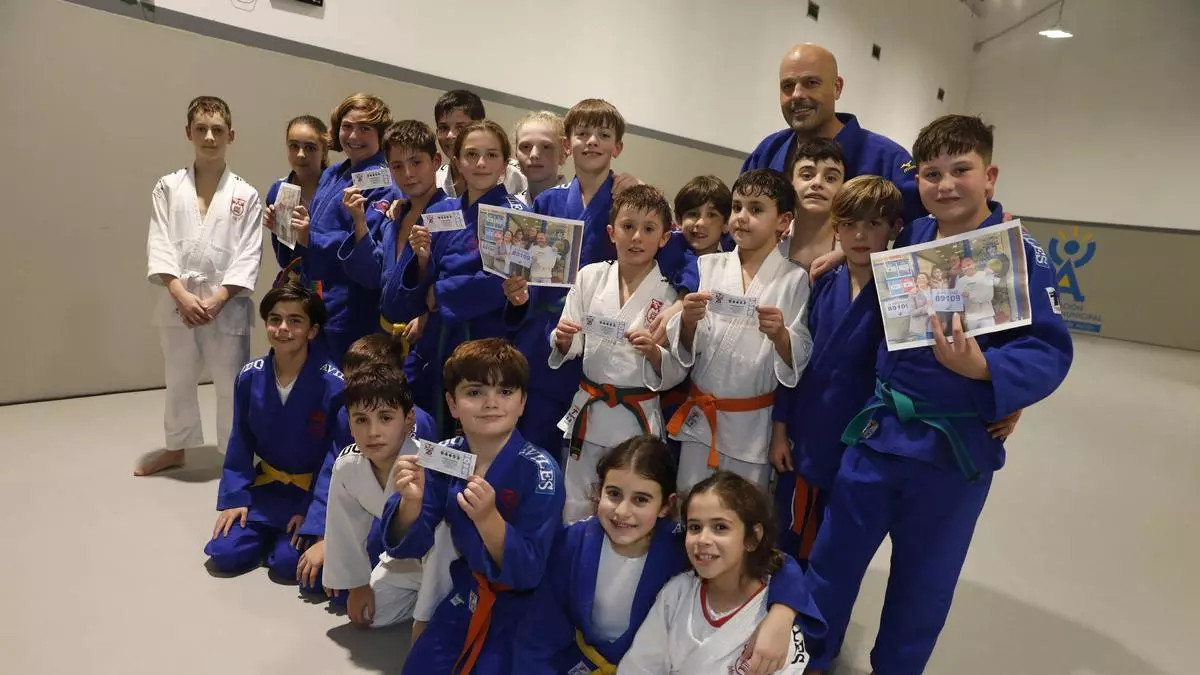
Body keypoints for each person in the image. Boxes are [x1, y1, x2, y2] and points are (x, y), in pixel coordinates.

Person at [804, 115, 1074, 675]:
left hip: (954, 449)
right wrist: (847, 254)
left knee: (923, 583)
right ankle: (807, 658)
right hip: (879, 433)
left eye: (961, 170)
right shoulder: (912, 235)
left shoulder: (1019, 253)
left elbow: (1048, 348)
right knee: (832, 559)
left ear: (990, 176)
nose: (946, 185)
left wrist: (987, 370)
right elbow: (867, 214)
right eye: (932, 174)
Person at [513, 437, 824, 675]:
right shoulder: (573, 543)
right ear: (598, 492)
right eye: (614, 494)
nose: (623, 511)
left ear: (666, 505)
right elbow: (541, 631)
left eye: (641, 499)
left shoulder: (685, 546)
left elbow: (778, 564)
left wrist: (782, 614)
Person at [381, 339, 565, 675]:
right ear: (452, 403)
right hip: (470, 590)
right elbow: (412, 543)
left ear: (522, 402)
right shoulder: (444, 456)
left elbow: (529, 572)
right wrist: (411, 501)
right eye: (475, 392)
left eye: (505, 392)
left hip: (526, 605)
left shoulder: (541, 471)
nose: (491, 403)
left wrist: (488, 519)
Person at [517, 186, 687, 522]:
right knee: (576, 504)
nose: (636, 237)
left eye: (649, 229)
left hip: (636, 418)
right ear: (611, 232)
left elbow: (678, 368)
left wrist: (655, 353)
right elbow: (571, 341)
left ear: (665, 238)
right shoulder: (590, 277)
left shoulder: (670, 295)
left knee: (628, 508)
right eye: (628, 226)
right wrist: (563, 339)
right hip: (590, 412)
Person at [768, 176, 901, 564]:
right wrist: (780, 429)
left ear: (894, 228)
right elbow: (794, 360)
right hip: (804, 439)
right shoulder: (823, 284)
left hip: (859, 444)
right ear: (836, 228)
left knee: (834, 553)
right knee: (783, 544)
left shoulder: (899, 295)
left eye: (874, 224)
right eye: (849, 224)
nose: (860, 235)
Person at [503, 99, 644, 462]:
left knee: (591, 455)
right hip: (544, 333)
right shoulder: (548, 202)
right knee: (533, 440)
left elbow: (665, 250)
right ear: (568, 145)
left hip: (601, 336)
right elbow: (524, 269)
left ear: (618, 147)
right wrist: (516, 293)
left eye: (603, 134)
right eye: (583, 134)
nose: (592, 141)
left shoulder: (629, 203)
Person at [666, 169, 813, 493]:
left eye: (756, 209)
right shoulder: (709, 266)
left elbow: (800, 353)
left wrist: (781, 336)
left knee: (742, 514)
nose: (742, 217)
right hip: (701, 421)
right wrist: (687, 322)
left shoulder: (794, 279)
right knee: (690, 505)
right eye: (736, 207)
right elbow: (688, 347)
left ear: (783, 221)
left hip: (753, 428)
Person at [139, 95, 263, 476]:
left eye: (218, 130)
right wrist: (179, 293)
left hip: (227, 303)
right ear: (188, 132)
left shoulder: (246, 194)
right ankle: (176, 447)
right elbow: (159, 241)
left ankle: (235, 456)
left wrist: (220, 297)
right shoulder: (168, 187)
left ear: (231, 135)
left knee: (231, 384)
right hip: (179, 301)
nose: (210, 137)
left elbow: (250, 252)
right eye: (201, 129)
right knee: (177, 379)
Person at [385, 120, 528, 438]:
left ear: (505, 164)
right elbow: (422, 282)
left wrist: (441, 293)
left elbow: (503, 281)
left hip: (482, 338)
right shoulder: (443, 212)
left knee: (473, 432)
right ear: (457, 161)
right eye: (471, 154)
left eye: (491, 155)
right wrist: (423, 260)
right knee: (426, 428)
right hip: (435, 338)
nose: (481, 163)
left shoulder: (518, 216)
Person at [203, 284, 348, 580]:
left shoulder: (334, 385)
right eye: (275, 319)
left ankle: (280, 539)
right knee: (224, 554)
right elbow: (240, 440)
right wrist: (235, 498)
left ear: (312, 331)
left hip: (310, 493)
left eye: (295, 321)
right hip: (267, 487)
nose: (283, 328)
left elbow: (336, 457)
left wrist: (316, 514)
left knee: (287, 566)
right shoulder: (250, 376)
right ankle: (267, 532)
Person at [618, 471, 815, 674]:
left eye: (720, 527)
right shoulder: (677, 594)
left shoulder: (777, 627)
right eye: (695, 527)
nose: (703, 539)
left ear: (752, 538)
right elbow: (638, 668)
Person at [742, 43, 923, 224]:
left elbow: (920, 232)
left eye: (811, 83)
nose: (797, 95)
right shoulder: (767, 152)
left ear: (837, 87)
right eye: (788, 85)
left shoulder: (888, 160)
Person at [323, 363, 441, 628]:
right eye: (361, 420)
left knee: (439, 618)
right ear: (349, 423)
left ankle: (439, 604)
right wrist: (357, 583)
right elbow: (345, 528)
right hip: (404, 562)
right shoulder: (347, 466)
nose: (373, 432)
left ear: (409, 420)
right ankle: (426, 600)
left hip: (445, 561)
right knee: (369, 616)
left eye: (385, 418)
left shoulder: (431, 460)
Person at [291, 93, 394, 362]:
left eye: (365, 128)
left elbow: (367, 248)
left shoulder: (383, 183)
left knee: (347, 379)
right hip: (316, 302)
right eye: (347, 126)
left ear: (381, 134)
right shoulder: (333, 173)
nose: (354, 136)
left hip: (352, 308)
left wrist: (310, 237)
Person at [342, 120, 449, 343]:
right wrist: (359, 220)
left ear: (436, 161)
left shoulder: (449, 216)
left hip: (429, 339)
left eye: (416, 162)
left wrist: (429, 316)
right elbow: (371, 276)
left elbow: (454, 277)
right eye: (397, 166)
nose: (408, 173)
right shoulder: (394, 218)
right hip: (386, 335)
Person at [263, 115, 329, 282]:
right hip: (294, 284)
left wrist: (307, 236)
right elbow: (284, 260)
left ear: (324, 151)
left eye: (310, 148)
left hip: (331, 286)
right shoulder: (279, 191)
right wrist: (279, 230)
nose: (300, 154)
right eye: (294, 146)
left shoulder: (336, 190)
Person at [433, 90, 528, 201]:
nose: (450, 135)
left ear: (480, 127)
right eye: (444, 128)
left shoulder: (514, 175)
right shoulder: (436, 180)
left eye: (460, 127)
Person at [782, 138, 845, 271]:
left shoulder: (855, 250)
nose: (817, 183)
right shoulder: (770, 241)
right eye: (806, 175)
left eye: (830, 178)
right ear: (790, 181)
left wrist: (848, 254)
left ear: (843, 187)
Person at [513, 111, 569, 202]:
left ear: (563, 153)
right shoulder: (506, 206)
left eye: (546, 147)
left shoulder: (578, 205)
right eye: (526, 147)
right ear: (516, 153)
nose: (534, 155)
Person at [674, 175, 734, 256]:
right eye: (693, 214)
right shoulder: (663, 258)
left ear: (726, 224)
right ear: (679, 220)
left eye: (711, 215)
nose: (701, 223)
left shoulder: (733, 263)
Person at [957, 256, 1001, 330]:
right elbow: (958, 300)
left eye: (968, 265)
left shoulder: (985, 274)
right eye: (964, 267)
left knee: (992, 334)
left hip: (987, 315)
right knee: (974, 337)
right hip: (971, 318)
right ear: (961, 269)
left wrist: (993, 273)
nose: (967, 268)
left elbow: (999, 283)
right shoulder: (960, 281)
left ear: (974, 264)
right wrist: (963, 296)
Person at [908, 272, 933, 338]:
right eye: (918, 278)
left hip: (934, 326)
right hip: (921, 328)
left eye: (923, 278)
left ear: (928, 280)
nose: (921, 279)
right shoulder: (913, 294)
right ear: (916, 282)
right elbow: (912, 313)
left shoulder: (934, 291)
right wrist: (927, 307)